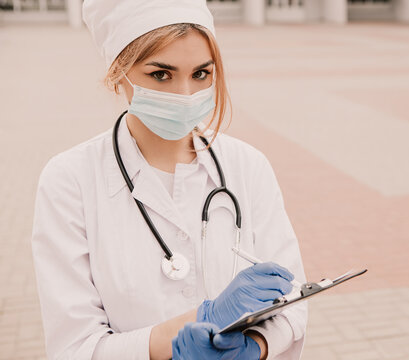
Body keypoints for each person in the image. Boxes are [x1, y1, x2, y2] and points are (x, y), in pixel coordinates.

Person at [30, 0, 308, 359]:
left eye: (201, 74)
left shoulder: (248, 166)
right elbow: (75, 347)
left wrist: (256, 347)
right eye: (160, 74)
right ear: (118, 73)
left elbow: (293, 300)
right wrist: (182, 334)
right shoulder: (69, 181)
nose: (185, 95)